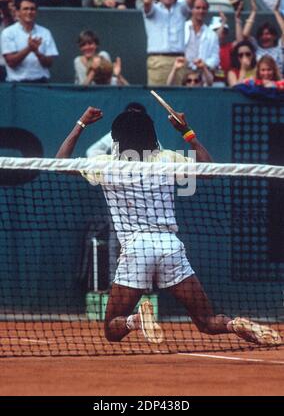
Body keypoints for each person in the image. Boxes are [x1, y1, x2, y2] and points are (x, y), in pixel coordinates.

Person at [55, 104, 281, 346]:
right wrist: (187, 132)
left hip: (136, 250)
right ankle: (232, 324)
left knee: (112, 328)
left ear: (116, 138)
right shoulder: (167, 159)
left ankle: (135, 321)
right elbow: (210, 170)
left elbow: (59, 163)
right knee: (207, 320)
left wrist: (81, 123)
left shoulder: (105, 164)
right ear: (152, 136)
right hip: (170, 247)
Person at [143, 0, 192, 85]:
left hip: (179, 59)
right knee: (157, 99)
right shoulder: (153, 10)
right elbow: (147, 1)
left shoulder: (181, 8)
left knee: (178, 100)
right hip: (158, 60)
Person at [1, 0, 58, 83]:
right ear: (18, 12)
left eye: (32, 9)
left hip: (41, 84)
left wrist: (37, 52)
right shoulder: (8, 32)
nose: (29, 12)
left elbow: (49, 63)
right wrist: (29, 49)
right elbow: (11, 62)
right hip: (17, 86)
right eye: (25, 9)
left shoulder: (45, 32)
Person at [86, 102, 162, 156]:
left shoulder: (149, 135)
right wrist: (109, 161)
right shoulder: (114, 134)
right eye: (130, 115)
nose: (133, 119)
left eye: (137, 116)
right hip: (118, 175)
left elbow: (161, 155)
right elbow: (91, 151)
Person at [242, 0, 284, 77]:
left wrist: (276, 12)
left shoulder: (279, 47)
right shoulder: (256, 48)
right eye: (261, 34)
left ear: (274, 36)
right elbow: (245, 34)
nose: (264, 37)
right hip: (259, 82)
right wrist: (253, 11)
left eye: (268, 34)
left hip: (277, 82)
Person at [184, 0, 220, 73]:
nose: (201, 11)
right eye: (198, 8)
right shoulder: (181, 28)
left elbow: (215, 58)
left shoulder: (212, 35)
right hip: (183, 70)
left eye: (204, 8)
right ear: (191, 9)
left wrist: (204, 64)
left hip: (202, 73)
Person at [0, 0, 16, 81]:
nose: (5, 6)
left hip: (17, 72)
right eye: (2, 3)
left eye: (9, 2)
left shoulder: (24, 22)